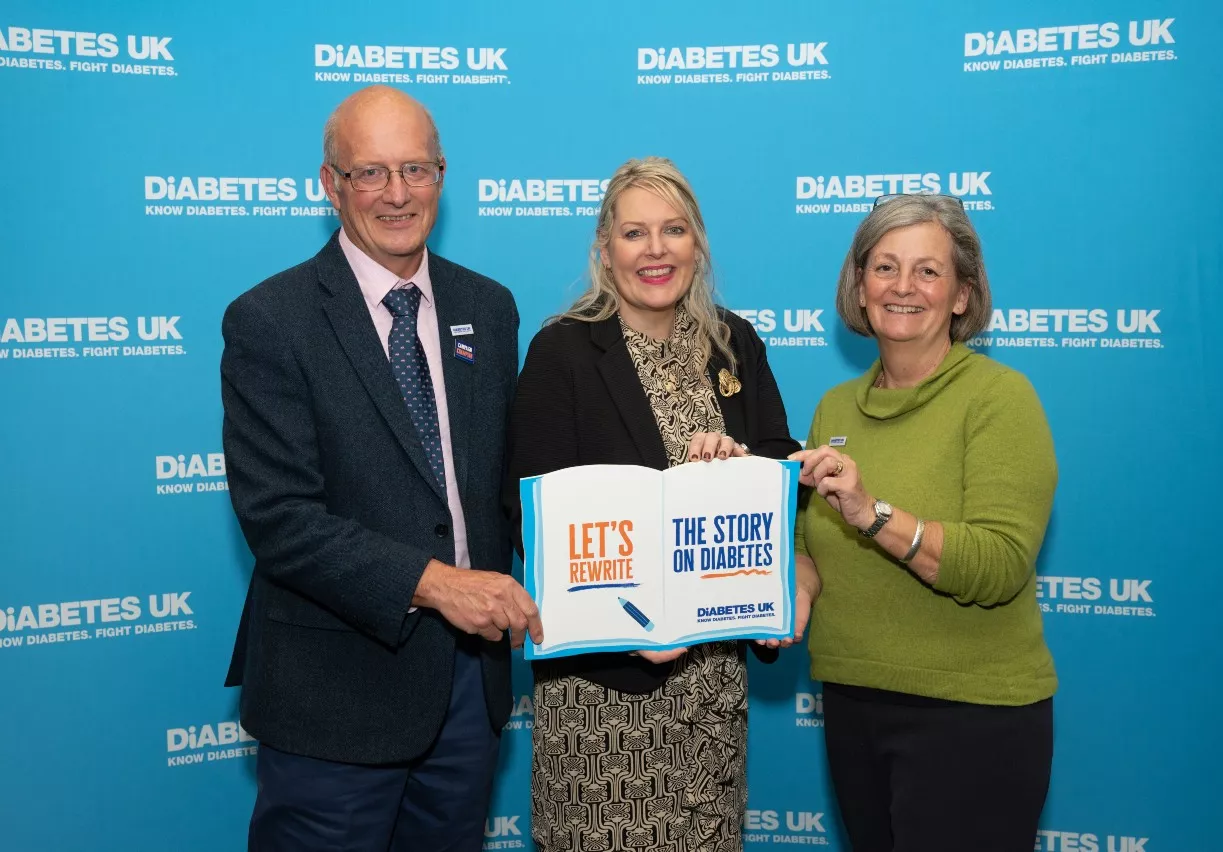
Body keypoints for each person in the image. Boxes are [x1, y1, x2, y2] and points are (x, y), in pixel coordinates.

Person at [220, 85, 542, 852]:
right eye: (370, 173)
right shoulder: (270, 319)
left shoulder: (487, 308)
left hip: (467, 694)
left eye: (417, 170)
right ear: (330, 184)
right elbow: (281, 521)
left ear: (442, 175)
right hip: (334, 696)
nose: (397, 195)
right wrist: (439, 584)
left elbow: (510, 489)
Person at [504, 156, 818, 852]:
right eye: (634, 232)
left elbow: (775, 472)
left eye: (673, 230)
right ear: (603, 249)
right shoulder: (563, 352)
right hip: (606, 700)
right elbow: (540, 523)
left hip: (711, 687)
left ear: (698, 242)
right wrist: (631, 633)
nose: (655, 250)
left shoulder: (733, 343)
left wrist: (737, 472)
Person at [791, 193, 1058, 852]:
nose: (903, 287)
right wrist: (782, 599)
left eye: (928, 271)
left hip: (973, 715)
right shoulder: (835, 407)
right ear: (859, 285)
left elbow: (997, 566)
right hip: (854, 705)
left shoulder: (1000, 399)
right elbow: (809, 548)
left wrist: (873, 512)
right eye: (884, 267)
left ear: (963, 294)